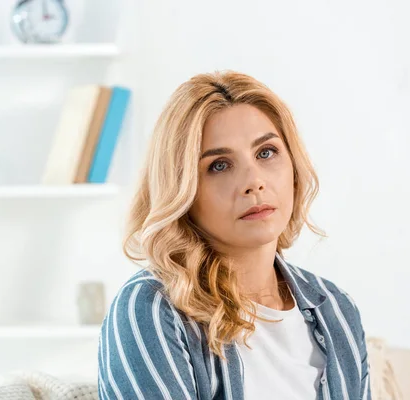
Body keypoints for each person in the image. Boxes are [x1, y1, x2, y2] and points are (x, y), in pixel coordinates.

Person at [97, 70, 371, 400]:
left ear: (294, 169)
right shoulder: (151, 308)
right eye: (219, 165)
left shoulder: (337, 310)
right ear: (183, 191)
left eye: (266, 153)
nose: (254, 181)